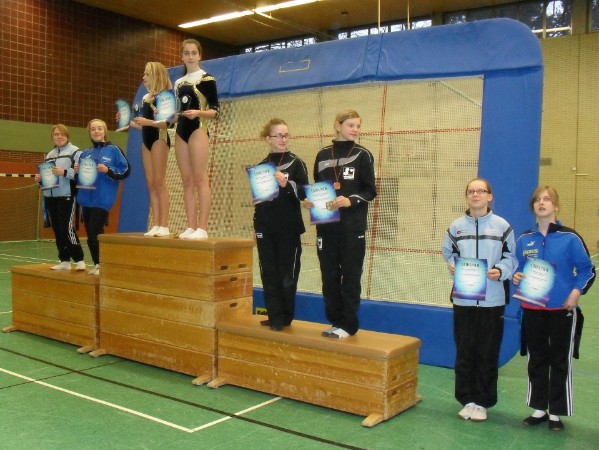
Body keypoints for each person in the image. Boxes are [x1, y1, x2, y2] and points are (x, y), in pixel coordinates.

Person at [513, 186, 595, 432]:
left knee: (559, 361)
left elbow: (587, 270)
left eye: (547, 199)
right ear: (533, 207)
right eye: (538, 199)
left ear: (556, 206)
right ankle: (538, 408)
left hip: (562, 310)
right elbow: (517, 269)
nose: (542, 203)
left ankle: (557, 412)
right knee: (536, 359)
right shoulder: (525, 239)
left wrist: (575, 292)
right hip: (532, 309)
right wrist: (516, 276)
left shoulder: (570, 238)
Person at [441, 178, 517, 422]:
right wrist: (453, 265)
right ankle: (466, 399)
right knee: (465, 350)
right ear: (467, 196)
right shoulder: (456, 227)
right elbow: (449, 253)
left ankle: (483, 401)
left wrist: (500, 271)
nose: (475, 195)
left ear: (489, 196)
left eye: (480, 191)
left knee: (487, 352)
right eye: (471, 191)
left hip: (492, 301)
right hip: (463, 300)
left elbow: (511, 257)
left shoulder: (502, 226)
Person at [304, 109, 377, 339]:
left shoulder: (363, 155)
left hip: (352, 227)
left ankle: (348, 324)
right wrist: (311, 202)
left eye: (358, 126)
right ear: (338, 125)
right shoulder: (323, 154)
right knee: (329, 276)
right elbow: (319, 187)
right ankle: (336, 321)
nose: (355, 130)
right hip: (326, 227)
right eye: (350, 125)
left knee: (351, 276)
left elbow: (370, 191)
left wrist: (350, 200)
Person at [254, 119, 309, 331]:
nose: (283, 139)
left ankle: (285, 317)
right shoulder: (261, 167)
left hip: (289, 228)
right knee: (268, 272)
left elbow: (305, 192)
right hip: (265, 227)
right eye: (278, 136)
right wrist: (257, 203)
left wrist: (287, 184)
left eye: (286, 135)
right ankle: (274, 315)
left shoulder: (296, 163)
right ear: (268, 139)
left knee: (287, 274)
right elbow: (259, 199)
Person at [173, 39, 219, 239]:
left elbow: (215, 110)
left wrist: (199, 112)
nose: (190, 56)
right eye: (186, 53)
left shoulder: (207, 78)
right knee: (187, 180)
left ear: (199, 55)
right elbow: (176, 113)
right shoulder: (178, 82)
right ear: (182, 56)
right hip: (180, 131)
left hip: (198, 129)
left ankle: (202, 227)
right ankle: (191, 226)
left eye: (194, 53)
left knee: (200, 178)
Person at [75, 119, 131, 275]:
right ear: (89, 132)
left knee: (95, 232)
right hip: (86, 199)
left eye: (99, 128)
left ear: (105, 131)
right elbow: (81, 178)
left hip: (102, 198)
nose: (96, 131)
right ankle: (99, 264)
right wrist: (78, 170)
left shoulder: (114, 150)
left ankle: (103, 264)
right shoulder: (85, 153)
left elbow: (125, 171)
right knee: (91, 234)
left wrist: (108, 169)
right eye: (93, 129)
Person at [127, 62, 172, 237]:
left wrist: (148, 122)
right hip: (146, 140)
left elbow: (166, 122)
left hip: (159, 139)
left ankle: (164, 224)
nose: (143, 77)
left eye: (146, 74)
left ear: (155, 76)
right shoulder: (146, 98)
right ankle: (156, 223)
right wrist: (128, 122)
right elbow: (143, 126)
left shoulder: (166, 95)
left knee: (159, 181)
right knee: (151, 182)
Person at [35, 124, 86, 271]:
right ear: (53, 137)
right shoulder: (49, 155)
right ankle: (64, 260)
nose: (59, 136)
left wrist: (64, 172)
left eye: (62, 134)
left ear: (67, 136)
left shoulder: (75, 152)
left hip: (67, 196)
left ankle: (79, 259)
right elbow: (48, 177)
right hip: (50, 196)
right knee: (57, 229)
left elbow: (81, 174)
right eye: (56, 134)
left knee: (66, 228)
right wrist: (40, 179)